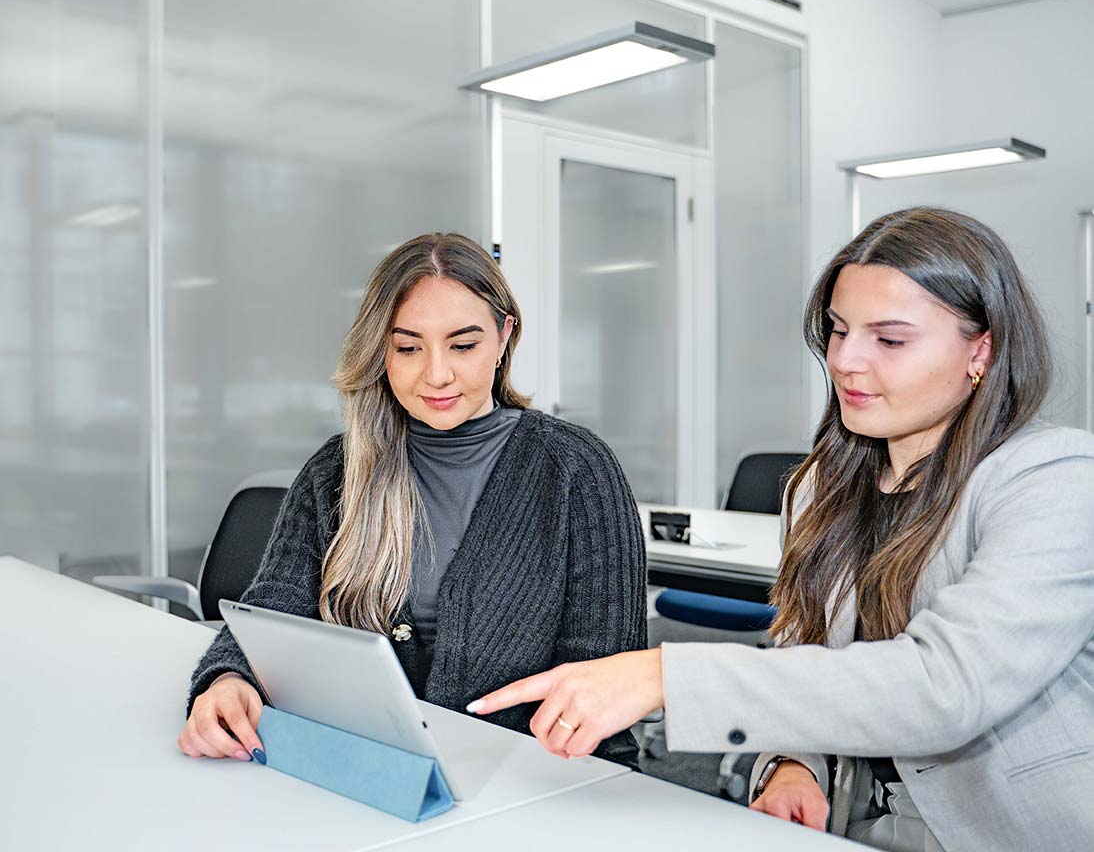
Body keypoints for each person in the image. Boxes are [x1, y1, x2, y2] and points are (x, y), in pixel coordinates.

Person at [469, 208, 1094, 851]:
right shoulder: (825, 485)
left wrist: (664, 677)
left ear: (981, 351)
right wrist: (795, 765)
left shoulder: (1055, 479)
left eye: (890, 339)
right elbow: (810, 654)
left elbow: (947, 685)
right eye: (839, 329)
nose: (846, 359)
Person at [178, 232, 646, 767]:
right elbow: (274, 610)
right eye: (408, 348)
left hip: (524, 785)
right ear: (381, 351)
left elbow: (606, 690)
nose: (437, 374)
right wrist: (229, 678)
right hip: (361, 770)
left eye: (463, 345)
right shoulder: (338, 468)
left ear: (503, 337)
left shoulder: (575, 471)